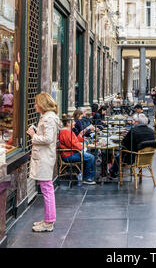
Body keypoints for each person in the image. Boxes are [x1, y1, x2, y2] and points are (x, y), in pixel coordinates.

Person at [27, 92, 62, 232]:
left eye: (36, 103)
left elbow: (47, 139)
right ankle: (48, 219)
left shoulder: (48, 119)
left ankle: (48, 222)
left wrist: (33, 135)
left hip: (44, 158)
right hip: (44, 157)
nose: (35, 105)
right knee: (47, 189)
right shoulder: (48, 117)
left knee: (47, 190)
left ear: (42, 104)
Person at [109, 114, 154, 178]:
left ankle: (113, 172)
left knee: (118, 155)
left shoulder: (134, 131)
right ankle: (113, 170)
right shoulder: (151, 131)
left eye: (135, 121)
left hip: (133, 157)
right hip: (147, 157)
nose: (134, 123)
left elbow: (124, 143)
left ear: (138, 122)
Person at [59, 115, 96, 184]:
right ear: (68, 123)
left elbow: (74, 141)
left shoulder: (68, 131)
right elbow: (72, 144)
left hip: (72, 152)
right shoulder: (65, 132)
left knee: (89, 156)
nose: (75, 123)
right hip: (69, 155)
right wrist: (82, 147)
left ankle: (86, 175)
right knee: (91, 157)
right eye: (72, 122)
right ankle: (87, 177)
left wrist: (80, 135)